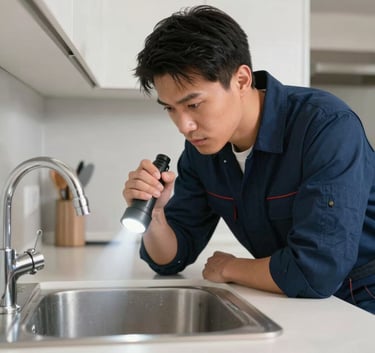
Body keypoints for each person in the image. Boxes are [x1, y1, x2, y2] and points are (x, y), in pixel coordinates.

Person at [123, 5, 375, 314]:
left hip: (363, 298)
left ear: (242, 80)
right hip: (296, 300)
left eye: (194, 104)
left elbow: (316, 271)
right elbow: (172, 259)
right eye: (170, 108)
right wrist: (156, 214)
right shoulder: (202, 151)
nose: (184, 125)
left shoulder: (326, 126)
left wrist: (231, 268)